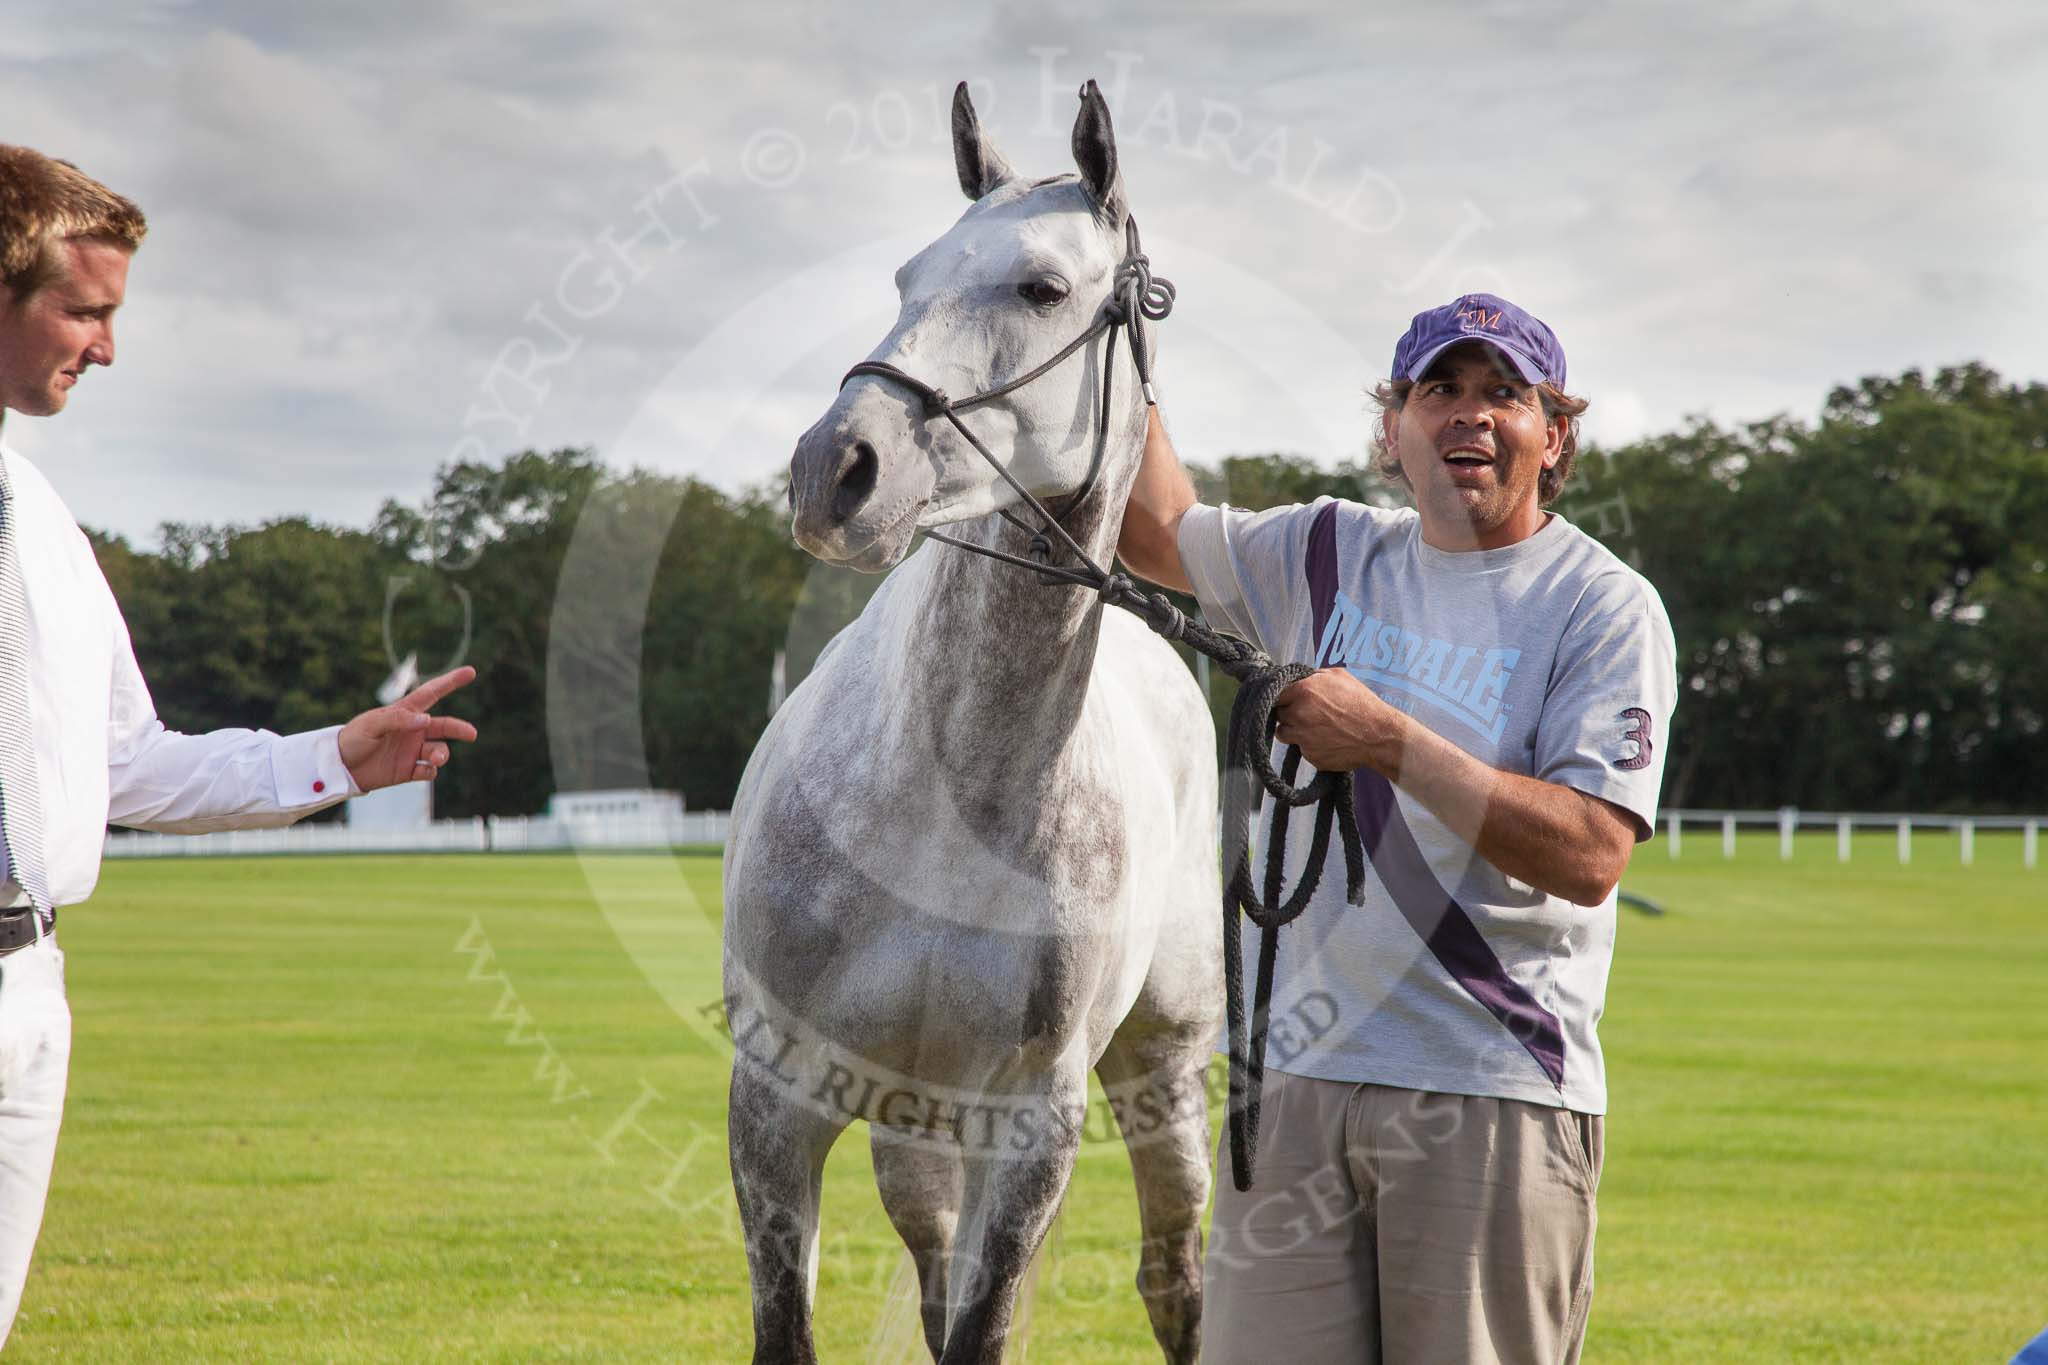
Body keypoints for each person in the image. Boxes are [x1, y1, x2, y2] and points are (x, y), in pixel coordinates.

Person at [1118, 293, 1677, 1363]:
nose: (1470, 413)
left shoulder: (1600, 604)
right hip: (1291, 1084)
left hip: (1488, 1087)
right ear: (1392, 429)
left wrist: (1385, 739)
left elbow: (1590, 852)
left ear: (1554, 436)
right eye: (1439, 389)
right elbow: (1151, 531)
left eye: (1504, 393)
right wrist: (1123, 342)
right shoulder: (1323, 548)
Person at [0, 144, 479, 1345]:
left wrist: (337, 760)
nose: (108, 347)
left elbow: (129, 765)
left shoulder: (43, 523)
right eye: (84, 310)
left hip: (30, 992)